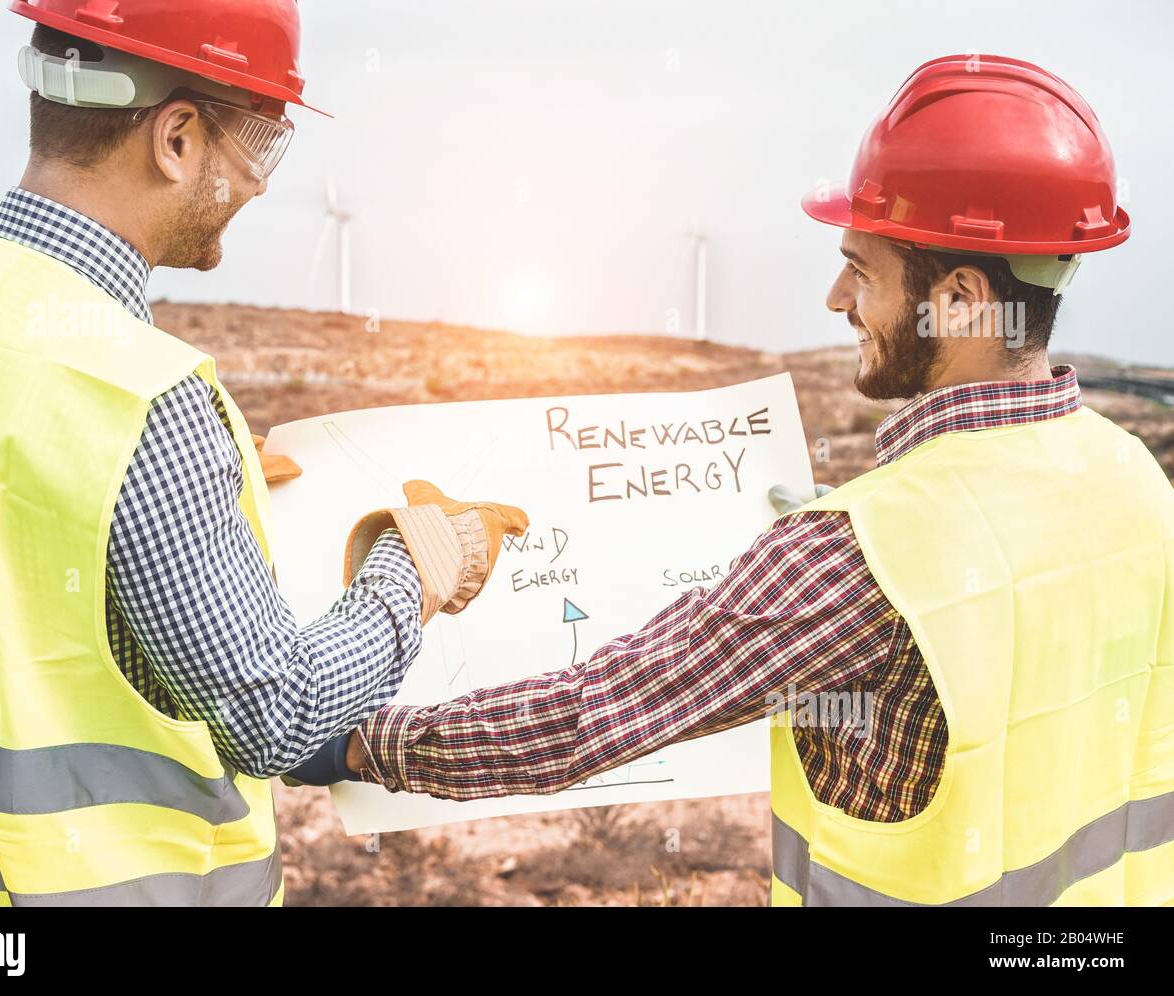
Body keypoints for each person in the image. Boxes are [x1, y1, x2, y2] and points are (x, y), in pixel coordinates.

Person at [299, 54, 1174, 907]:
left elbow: (590, 716)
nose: (836, 299)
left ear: (962, 297)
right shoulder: (1136, 484)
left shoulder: (862, 556)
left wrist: (359, 745)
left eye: (862, 269)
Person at [0, 0, 525, 906]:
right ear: (175, 137)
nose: (259, 183)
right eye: (259, 140)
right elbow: (273, 714)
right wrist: (413, 569)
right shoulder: (140, 396)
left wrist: (191, 491)